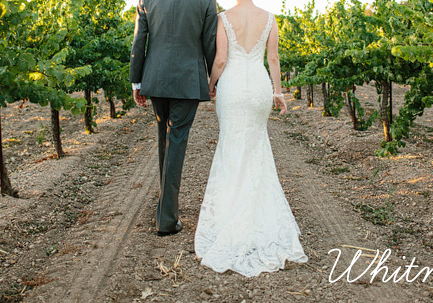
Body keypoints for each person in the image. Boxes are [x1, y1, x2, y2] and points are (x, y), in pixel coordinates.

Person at [194, 0, 308, 277]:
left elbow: (220, 60)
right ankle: (259, 213)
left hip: (232, 88)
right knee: (257, 147)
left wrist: (210, 85)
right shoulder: (270, 18)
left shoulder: (224, 18)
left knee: (232, 146)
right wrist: (278, 92)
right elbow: (273, 59)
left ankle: (229, 212)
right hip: (258, 86)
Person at [129, 0, 218, 237]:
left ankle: (165, 209)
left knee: (165, 139)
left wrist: (136, 80)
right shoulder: (206, 1)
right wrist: (214, 80)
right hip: (188, 79)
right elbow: (210, 42)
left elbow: (139, 40)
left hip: (156, 77)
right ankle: (166, 219)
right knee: (175, 141)